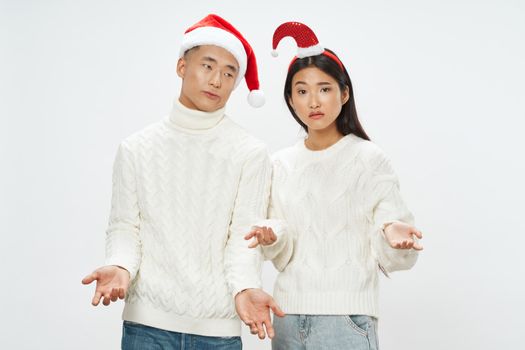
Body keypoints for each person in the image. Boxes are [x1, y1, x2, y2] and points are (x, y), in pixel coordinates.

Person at [82, 14, 283, 349]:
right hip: (147, 325)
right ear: (181, 67)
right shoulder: (135, 148)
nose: (217, 80)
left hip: (218, 331)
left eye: (229, 73)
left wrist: (245, 287)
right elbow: (124, 226)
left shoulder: (250, 152)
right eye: (207, 66)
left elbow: (243, 238)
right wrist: (119, 265)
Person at [245, 21, 424, 349]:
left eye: (324, 88)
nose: (313, 101)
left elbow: (397, 251)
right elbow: (282, 253)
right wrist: (272, 234)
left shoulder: (369, 159)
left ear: (344, 93)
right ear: (291, 99)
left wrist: (393, 234)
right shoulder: (280, 164)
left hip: (347, 321)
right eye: (301, 91)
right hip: (287, 319)